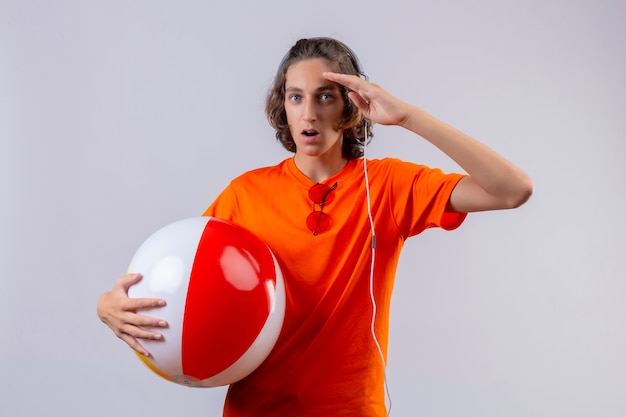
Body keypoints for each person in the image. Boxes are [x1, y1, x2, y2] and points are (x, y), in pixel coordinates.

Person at [97, 37, 533, 416]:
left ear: (351, 104)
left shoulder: (386, 186)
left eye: (325, 96)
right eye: (295, 97)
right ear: (281, 105)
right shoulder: (244, 194)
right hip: (256, 411)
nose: (309, 113)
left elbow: (512, 189)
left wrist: (408, 117)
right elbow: (181, 284)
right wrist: (108, 306)